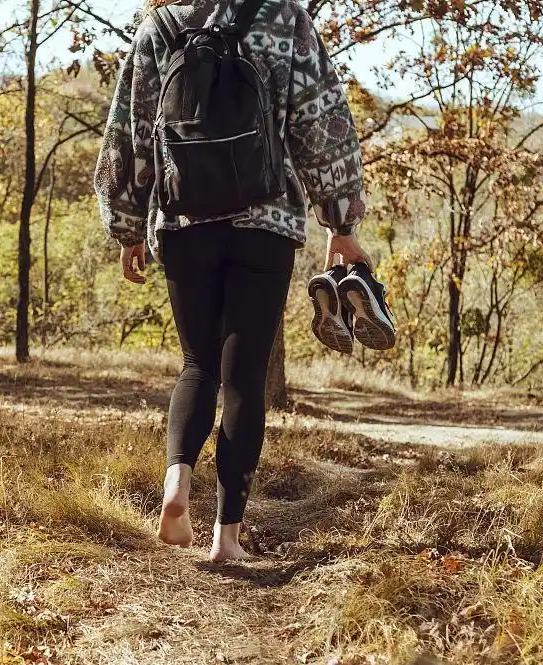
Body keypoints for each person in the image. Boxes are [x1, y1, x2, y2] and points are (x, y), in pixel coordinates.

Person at [93, 0, 395, 561]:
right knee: (244, 377)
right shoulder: (284, 19)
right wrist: (340, 221)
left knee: (198, 364)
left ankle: (177, 482)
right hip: (267, 222)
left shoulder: (161, 25)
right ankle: (225, 538)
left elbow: (131, 130)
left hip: (184, 222)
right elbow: (321, 123)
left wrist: (129, 224)